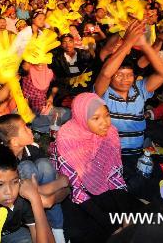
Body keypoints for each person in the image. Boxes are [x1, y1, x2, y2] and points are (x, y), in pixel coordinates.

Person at [50, 93, 143, 243]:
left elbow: (115, 177)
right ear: (82, 118)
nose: (105, 123)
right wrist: (112, 227)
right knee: (83, 233)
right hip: (75, 194)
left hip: (103, 188)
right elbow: (77, 191)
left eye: (107, 115)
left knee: (139, 219)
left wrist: (126, 216)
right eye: (96, 118)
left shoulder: (110, 133)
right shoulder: (68, 139)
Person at [93, 20, 163, 198]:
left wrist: (144, 44)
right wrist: (128, 42)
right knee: (132, 189)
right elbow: (105, 73)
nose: (125, 79)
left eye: (129, 75)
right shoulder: (103, 93)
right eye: (119, 75)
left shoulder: (140, 90)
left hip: (137, 153)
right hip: (112, 155)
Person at [0, 114, 68, 238]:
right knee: (26, 166)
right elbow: (22, 191)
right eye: (25, 128)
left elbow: (49, 174)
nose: (30, 130)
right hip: (19, 205)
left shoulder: (32, 149)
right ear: (14, 141)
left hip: (38, 194)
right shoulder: (3, 160)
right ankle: (43, 224)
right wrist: (60, 184)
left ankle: (57, 230)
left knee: (44, 164)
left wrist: (43, 191)